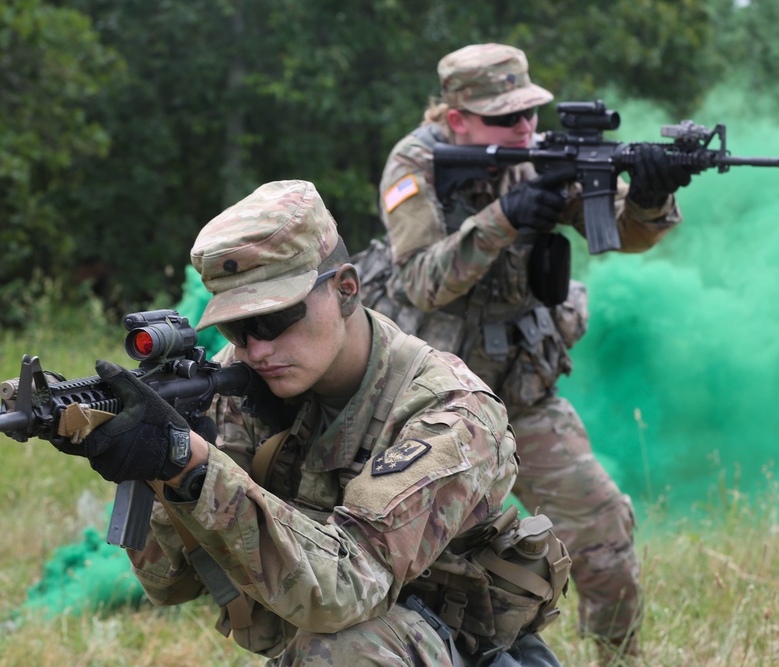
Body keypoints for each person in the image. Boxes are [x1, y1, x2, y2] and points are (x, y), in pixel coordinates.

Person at [52, 179, 571, 666]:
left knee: (342, 650)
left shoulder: (450, 414)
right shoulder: (242, 381)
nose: (256, 347)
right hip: (337, 640)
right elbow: (171, 584)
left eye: (276, 318)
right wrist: (153, 471)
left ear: (346, 289)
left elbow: (347, 589)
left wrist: (193, 467)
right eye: (237, 326)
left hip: (465, 649)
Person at [363, 43, 696, 662]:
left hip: (521, 391)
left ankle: (618, 657)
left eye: (530, 115)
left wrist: (650, 196)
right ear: (457, 119)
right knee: (423, 565)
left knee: (604, 539)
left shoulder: (535, 155)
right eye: (505, 119)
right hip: (429, 401)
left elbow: (621, 232)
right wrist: (504, 218)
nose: (524, 130)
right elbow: (422, 281)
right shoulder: (418, 164)